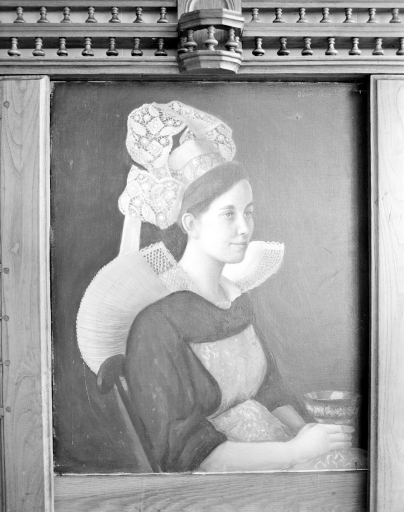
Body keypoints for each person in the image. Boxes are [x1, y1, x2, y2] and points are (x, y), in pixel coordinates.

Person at [77, 101, 364, 473]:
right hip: (227, 482)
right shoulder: (157, 325)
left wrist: (308, 432)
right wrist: (296, 453)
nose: (245, 228)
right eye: (229, 214)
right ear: (191, 224)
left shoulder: (237, 300)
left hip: (280, 452)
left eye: (248, 212)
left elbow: (270, 390)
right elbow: (185, 456)